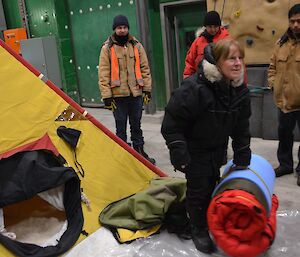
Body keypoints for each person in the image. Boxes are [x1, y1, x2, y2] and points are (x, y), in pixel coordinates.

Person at [161, 39, 251, 254]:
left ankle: (207, 217)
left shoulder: (239, 91)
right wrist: (179, 151)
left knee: (213, 185)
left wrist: (242, 152)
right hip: (195, 150)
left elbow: (241, 126)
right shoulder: (194, 89)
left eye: (240, 58)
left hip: (217, 148)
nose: (238, 63)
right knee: (199, 190)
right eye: (231, 58)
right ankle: (198, 228)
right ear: (217, 63)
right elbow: (172, 123)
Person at [98, 14, 155, 164]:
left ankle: (139, 151)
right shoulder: (107, 48)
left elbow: (145, 68)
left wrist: (147, 89)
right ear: (114, 29)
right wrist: (107, 96)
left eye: (124, 27)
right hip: (118, 97)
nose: (122, 30)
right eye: (119, 28)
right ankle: (122, 156)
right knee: (120, 127)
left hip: (135, 94)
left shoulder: (136, 45)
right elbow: (103, 73)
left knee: (136, 125)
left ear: (128, 28)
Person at [268, 4, 300, 186]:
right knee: (284, 134)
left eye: (299, 21)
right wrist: (273, 83)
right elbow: (272, 67)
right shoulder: (281, 43)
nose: (295, 25)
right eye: (292, 21)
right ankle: (285, 164)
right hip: (284, 100)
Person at [183, 10, 229, 78]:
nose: (213, 29)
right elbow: (190, 62)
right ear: (205, 26)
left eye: (215, 26)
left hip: (223, 79)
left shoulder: (226, 40)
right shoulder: (198, 42)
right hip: (202, 81)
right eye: (210, 27)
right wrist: (187, 79)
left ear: (219, 26)